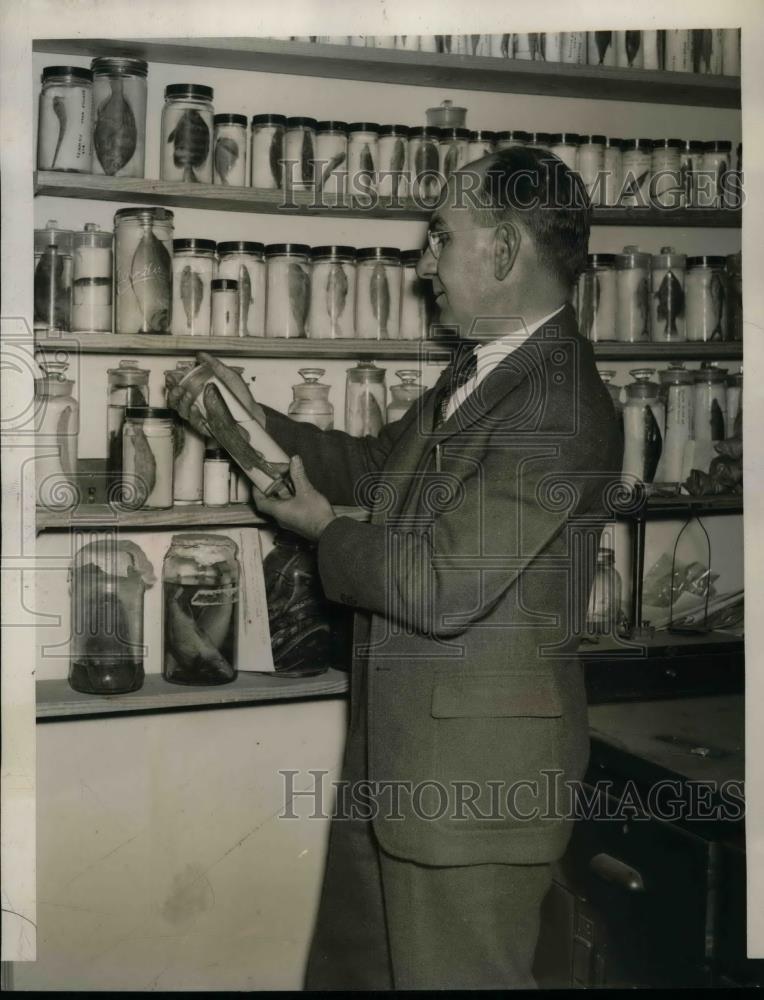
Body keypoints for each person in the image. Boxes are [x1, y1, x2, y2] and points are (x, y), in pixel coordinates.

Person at [172, 147, 623, 989]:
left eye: (438, 238)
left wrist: (319, 531)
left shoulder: (558, 403)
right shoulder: (485, 372)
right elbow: (375, 469)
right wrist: (246, 416)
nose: (424, 265)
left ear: (501, 250)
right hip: (401, 772)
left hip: (472, 797)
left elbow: (443, 583)